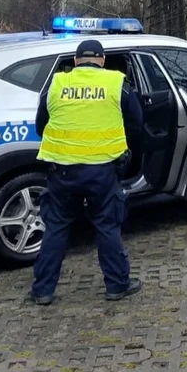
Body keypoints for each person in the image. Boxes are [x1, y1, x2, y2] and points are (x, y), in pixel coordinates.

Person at [30, 39, 145, 306]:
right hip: (103, 171)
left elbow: (40, 126)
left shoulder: (56, 85)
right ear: (103, 60)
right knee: (107, 226)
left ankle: (43, 291)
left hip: (62, 172)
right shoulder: (117, 84)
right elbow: (137, 124)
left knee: (56, 228)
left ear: (76, 60)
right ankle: (117, 286)